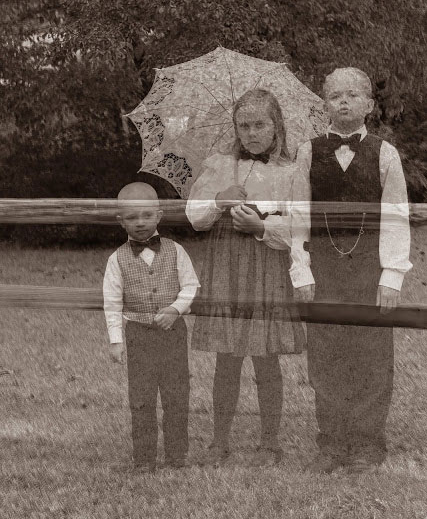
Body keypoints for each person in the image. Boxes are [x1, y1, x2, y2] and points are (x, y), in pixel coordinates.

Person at [291, 67, 412, 474]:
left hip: (368, 269)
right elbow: (297, 217)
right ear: (324, 104)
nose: (343, 102)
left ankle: (366, 444)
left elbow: (396, 218)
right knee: (326, 354)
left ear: (369, 105)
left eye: (352, 95)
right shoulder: (308, 152)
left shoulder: (385, 153)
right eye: (335, 96)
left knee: (371, 356)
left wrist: (392, 275)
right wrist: (302, 270)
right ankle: (332, 442)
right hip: (323, 267)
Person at [186, 88, 305, 466]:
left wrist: (260, 227)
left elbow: (298, 230)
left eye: (259, 125)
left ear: (276, 127)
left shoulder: (291, 171)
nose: (251, 133)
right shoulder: (220, 165)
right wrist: (219, 199)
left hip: (267, 267)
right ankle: (218, 441)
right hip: (226, 265)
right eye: (243, 126)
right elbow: (194, 217)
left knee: (266, 357)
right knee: (228, 356)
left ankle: (269, 443)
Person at [103, 182, 200, 473]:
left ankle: (176, 456)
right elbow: (111, 302)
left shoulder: (176, 251)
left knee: (176, 395)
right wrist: (116, 340)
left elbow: (191, 286)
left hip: (173, 335)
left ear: (159, 216)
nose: (140, 223)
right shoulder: (116, 259)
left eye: (146, 215)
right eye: (132, 218)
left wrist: (175, 309)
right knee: (141, 398)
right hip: (139, 335)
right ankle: (144, 459)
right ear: (120, 221)